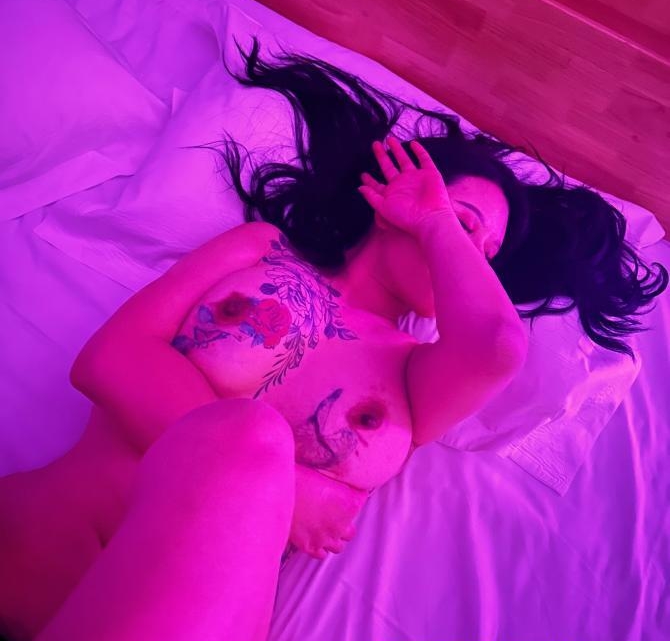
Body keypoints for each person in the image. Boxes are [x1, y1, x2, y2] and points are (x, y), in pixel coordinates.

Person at [0, 41, 666, 641]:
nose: (469, 262)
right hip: (27, 550)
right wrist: (286, 487)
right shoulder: (262, 250)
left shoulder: (417, 376)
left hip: (206, 621)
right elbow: (109, 360)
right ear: (394, 198)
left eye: (483, 257)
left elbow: (497, 344)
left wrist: (442, 226)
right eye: (464, 226)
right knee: (249, 434)